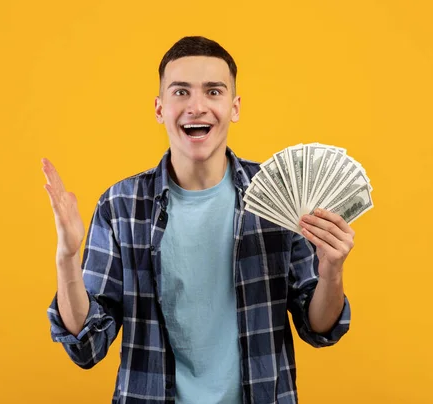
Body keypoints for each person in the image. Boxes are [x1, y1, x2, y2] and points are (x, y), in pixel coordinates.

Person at [42, 36, 355, 404]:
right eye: (180, 93)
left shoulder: (279, 197)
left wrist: (332, 268)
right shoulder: (121, 206)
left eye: (213, 91)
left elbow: (318, 327)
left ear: (234, 107)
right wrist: (66, 257)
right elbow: (87, 344)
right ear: (159, 109)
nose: (196, 107)